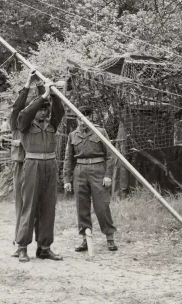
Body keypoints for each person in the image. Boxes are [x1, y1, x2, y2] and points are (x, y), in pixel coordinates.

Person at [14, 81, 64, 262]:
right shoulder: (25, 124)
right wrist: (42, 96)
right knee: (30, 205)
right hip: (32, 165)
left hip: (50, 165)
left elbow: (60, 110)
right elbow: (25, 112)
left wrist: (54, 93)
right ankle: (22, 247)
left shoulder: (52, 124)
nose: (44, 112)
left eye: (46, 109)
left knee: (48, 207)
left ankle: (44, 247)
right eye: (41, 109)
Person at [63, 105, 118, 252]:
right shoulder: (73, 135)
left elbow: (110, 155)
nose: (82, 122)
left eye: (85, 118)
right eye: (79, 118)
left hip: (98, 171)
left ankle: (110, 238)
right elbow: (68, 158)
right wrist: (67, 179)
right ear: (76, 119)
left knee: (102, 206)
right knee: (82, 206)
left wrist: (107, 175)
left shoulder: (100, 132)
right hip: (79, 172)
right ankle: (85, 239)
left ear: (90, 118)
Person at [9, 70, 44, 257]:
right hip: (21, 166)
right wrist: (28, 83)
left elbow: (46, 102)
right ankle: (20, 244)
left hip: (38, 165)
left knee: (40, 206)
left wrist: (40, 85)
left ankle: (42, 246)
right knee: (22, 206)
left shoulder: (36, 124)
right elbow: (17, 107)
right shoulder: (17, 123)